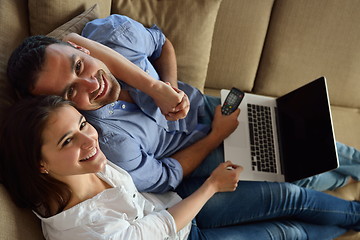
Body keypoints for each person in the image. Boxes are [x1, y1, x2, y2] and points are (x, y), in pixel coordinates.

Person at [7, 14, 360, 194]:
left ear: (82, 47)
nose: (91, 85)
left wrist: (168, 87)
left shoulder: (113, 33)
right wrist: (213, 137)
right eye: (71, 93)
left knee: (299, 125)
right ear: (61, 107)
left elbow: (162, 44)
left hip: (202, 105)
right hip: (194, 154)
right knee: (296, 175)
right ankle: (344, 182)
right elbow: (164, 177)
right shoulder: (105, 142)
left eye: (79, 66)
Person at [2, 95, 360, 240]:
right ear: (40, 164)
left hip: (174, 202)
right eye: (68, 140)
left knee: (287, 194)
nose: (88, 139)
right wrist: (212, 187)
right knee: (288, 232)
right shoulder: (83, 230)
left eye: (82, 124)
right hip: (181, 233)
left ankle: (352, 208)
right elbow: (158, 228)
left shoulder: (86, 163)